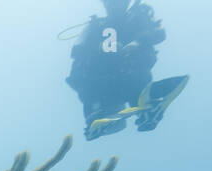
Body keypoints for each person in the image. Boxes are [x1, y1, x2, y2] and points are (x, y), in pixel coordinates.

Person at [66, 0, 187, 139]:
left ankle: (146, 104)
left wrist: (137, 43)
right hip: (104, 83)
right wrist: (102, 48)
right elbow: (77, 50)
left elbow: (159, 33)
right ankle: (98, 111)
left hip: (133, 76)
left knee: (135, 77)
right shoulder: (96, 26)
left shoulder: (139, 15)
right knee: (78, 69)